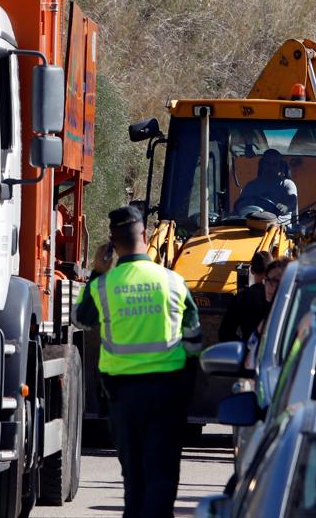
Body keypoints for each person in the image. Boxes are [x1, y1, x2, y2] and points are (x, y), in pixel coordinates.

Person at [74, 206, 202, 518]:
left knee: (133, 478)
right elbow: (194, 341)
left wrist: (97, 272)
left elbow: (79, 319)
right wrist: (186, 388)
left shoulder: (104, 286)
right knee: (162, 477)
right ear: (144, 234)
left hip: (123, 398)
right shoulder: (173, 282)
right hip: (168, 393)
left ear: (112, 242)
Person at [218, 251, 276, 343]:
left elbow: (224, 334)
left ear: (252, 271)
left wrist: (246, 345)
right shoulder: (279, 296)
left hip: (250, 349)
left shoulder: (240, 298)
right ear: (271, 269)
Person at [234, 148, 298, 217]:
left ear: (280, 166)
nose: (270, 168)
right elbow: (240, 205)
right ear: (262, 165)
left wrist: (285, 207)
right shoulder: (251, 186)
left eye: (274, 164)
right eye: (267, 163)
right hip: (253, 221)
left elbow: (292, 200)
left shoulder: (287, 184)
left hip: (279, 223)